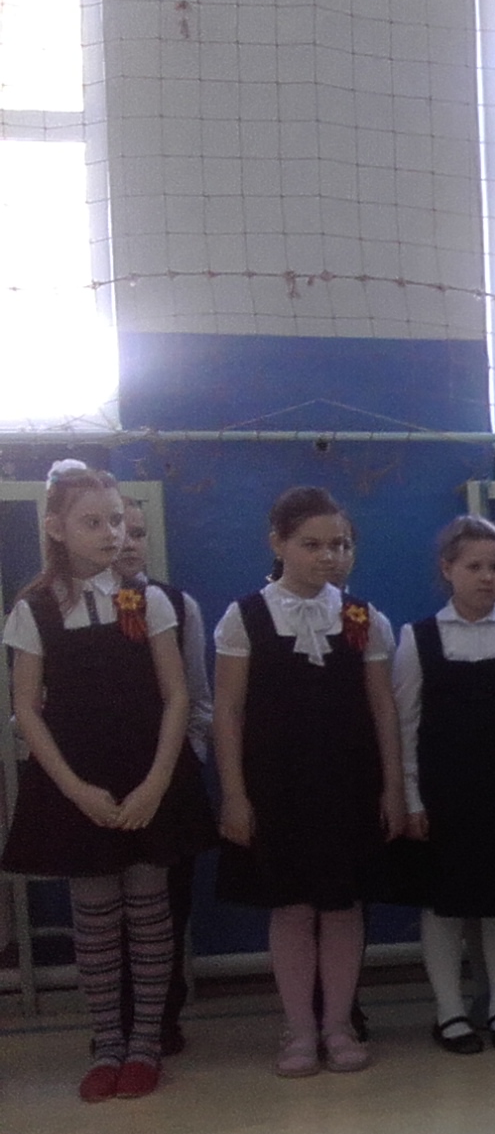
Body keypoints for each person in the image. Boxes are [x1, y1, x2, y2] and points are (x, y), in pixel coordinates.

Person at [2, 463, 215, 1100]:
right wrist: (75, 791)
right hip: (81, 788)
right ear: (56, 528)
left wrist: (155, 784)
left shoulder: (149, 602)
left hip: (147, 781)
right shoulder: (33, 609)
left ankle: (146, 1044)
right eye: (93, 521)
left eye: (117, 520)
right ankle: (107, 1044)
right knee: (94, 923)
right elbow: (26, 710)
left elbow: (177, 697)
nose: (111, 533)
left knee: (152, 915)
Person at [213, 486, 404, 1077]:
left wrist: (393, 788)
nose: (329, 556)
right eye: (312, 544)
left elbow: (382, 709)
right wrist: (235, 795)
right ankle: (298, 1029)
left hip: (348, 786)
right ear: (278, 543)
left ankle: (339, 1025)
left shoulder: (363, 618)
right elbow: (228, 712)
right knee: (292, 908)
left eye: (340, 544)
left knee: (343, 907)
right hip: (277, 789)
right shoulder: (245, 616)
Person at [392, 516, 495, 1055]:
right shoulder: (418, 638)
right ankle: (449, 1011)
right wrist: (411, 798)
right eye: (474, 566)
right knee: (444, 906)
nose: (487, 577)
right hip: (445, 794)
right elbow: (406, 725)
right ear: (448, 569)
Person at [111, 492, 213, 1058]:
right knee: (107, 909)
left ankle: (160, 1019)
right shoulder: (66, 605)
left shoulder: (176, 604)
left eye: (138, 532)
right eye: (116, 529)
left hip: (168, 777)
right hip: (99, 779)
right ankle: (114, 1023)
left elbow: (197, 696)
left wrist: (184, 761)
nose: (127, 542)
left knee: (169, 905)